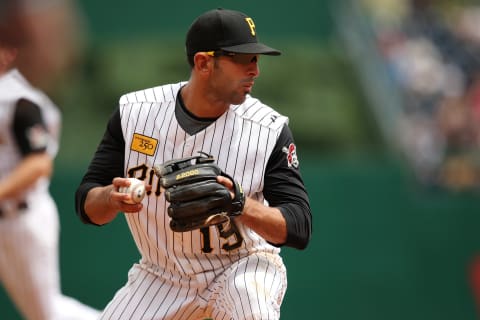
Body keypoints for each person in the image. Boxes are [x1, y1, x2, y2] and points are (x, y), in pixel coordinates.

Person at [75, 8, 312, 320]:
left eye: (256, 59)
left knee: (251, 306)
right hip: (162, 275)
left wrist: (240, 204)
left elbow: (298, 227)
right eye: (243, 59)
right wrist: (109, 198)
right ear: (203, 62)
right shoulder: (135, 114)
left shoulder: (268, 129)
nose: (255, 70)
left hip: (241, 266)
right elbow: (86, 203)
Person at [0, 43, 101, 319]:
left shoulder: (18, 100)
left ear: (8, 53)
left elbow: (39, 164)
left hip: (22, 216)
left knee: (47, 313)